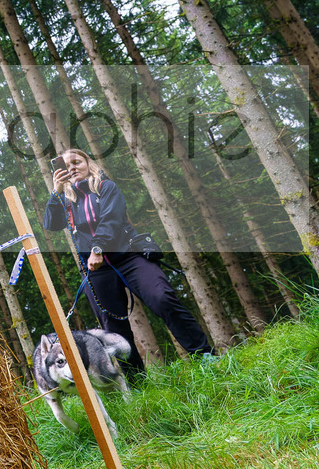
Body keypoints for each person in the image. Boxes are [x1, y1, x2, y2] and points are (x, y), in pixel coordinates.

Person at [42, 148, 213, 376]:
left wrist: (97, 248)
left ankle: (205, 356)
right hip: (97, 270)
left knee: (162, 298)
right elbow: (51, 224)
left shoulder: (106, 187)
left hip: (129, 256)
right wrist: (56, 192)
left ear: (88, 163)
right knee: (114, 329)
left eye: (77, 162)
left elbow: (110, 220)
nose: (72, 167)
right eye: (66, 165)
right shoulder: (67, 201)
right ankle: (137, 382)